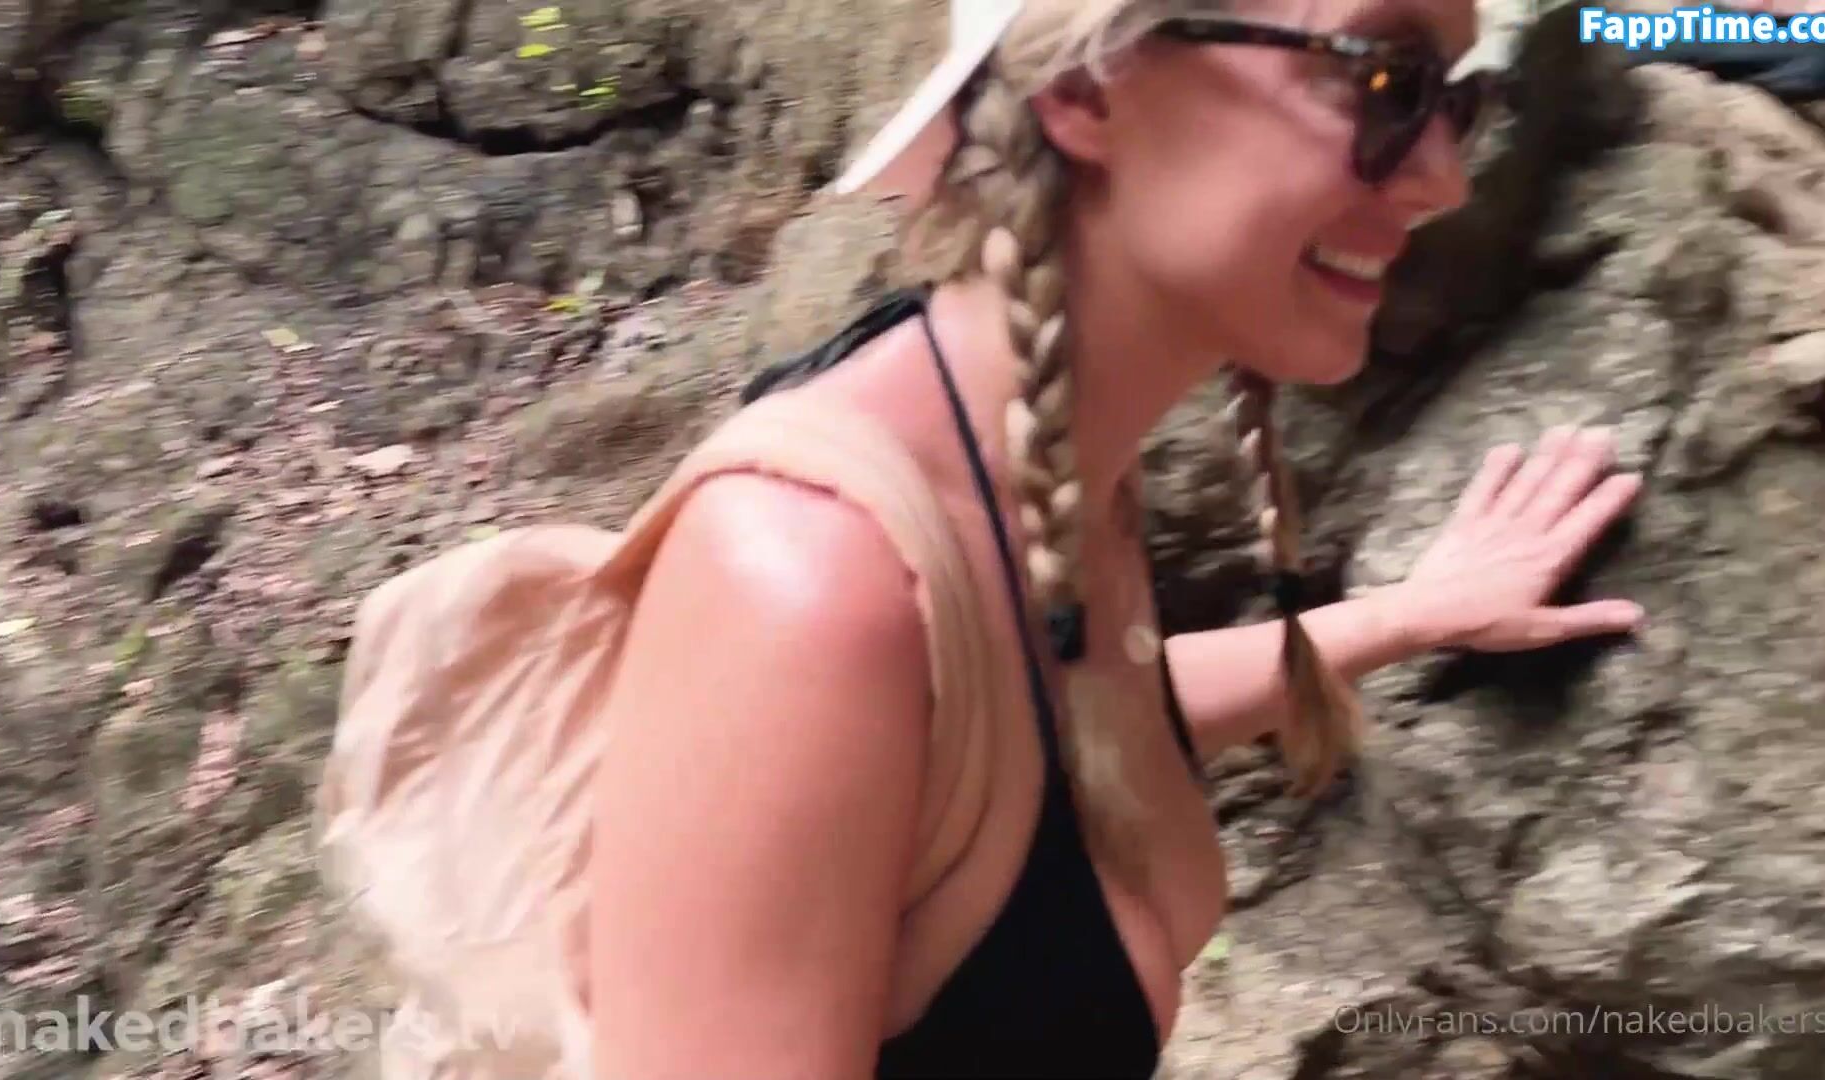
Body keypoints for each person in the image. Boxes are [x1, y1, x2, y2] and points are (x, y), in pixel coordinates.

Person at [325, 1, 1649, 1077]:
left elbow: (1048, 728)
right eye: (1383, 79)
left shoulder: (1041, 454)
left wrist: (1408, 614)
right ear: (1086, 92)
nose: (1442, 176)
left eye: (1457, 97)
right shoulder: (812, 580)